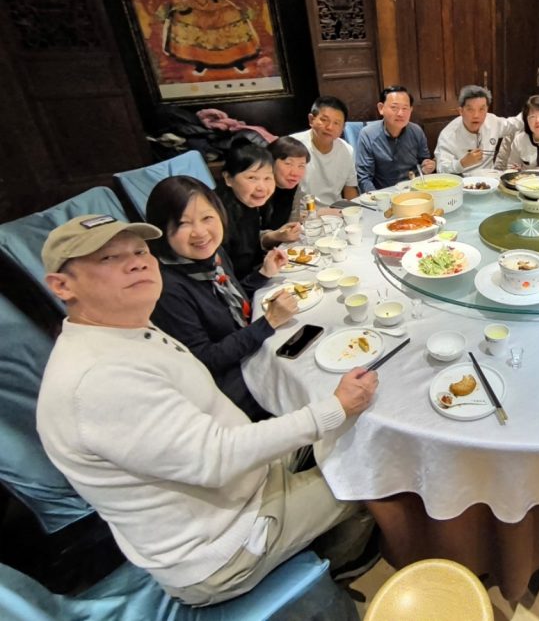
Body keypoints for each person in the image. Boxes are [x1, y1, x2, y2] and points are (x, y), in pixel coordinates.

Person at [37, 215, 378, 605]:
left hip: (241, 488)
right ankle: (337, 568)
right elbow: (217, 457)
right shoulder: (97, 381)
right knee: (369, 474)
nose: (136, 263)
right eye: (107, 259)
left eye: (139, 251)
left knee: (355, 433)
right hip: (222, 546)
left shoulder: (125, 329)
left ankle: (317, 539)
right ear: (62, 286)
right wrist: (331, 409)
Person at [146, 176, 298, 421]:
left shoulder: (212, 256)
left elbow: (230, 303)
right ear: (162, 230)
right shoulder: (167, 289)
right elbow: (205, 360)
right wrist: (267, 323)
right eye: (183, 224)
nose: (200, 232)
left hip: (248, 351)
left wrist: (262, 275)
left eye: (207, 218)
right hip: (229, 388)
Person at [216, 142, 300, 277]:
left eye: (267, 178)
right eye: (252, 178)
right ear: (228, 178)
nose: (262, 187)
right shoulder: (217, 219)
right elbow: (229, 282)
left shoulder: (247, 203)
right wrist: (263, 275)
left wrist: (275, 236)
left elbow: (251, 243)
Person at [356, 85, 435, 192]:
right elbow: (364, 178)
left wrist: (428, 165)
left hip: (414, 190)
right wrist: (376, 199)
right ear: (381, 108)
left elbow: (423, 161)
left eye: (405, 108)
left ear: (411, 110)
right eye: (394, 107)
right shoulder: (368, 134)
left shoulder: (416, 131)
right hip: (384, 194)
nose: (400, 113)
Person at [434, 85, 522, 174]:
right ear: (461, 111)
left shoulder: (492, 121)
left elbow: (515, 123)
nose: (476, 115)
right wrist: (462, 163)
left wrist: (533, 112)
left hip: (491, 179)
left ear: (487, 109)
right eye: (470, 109)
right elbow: (441, 169)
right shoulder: (448, 135)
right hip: (462, 181)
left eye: (481, 109)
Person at [290, 96, 358, 207]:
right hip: (302, 215)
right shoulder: (292, 146)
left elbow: (350, 187)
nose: (330, 127)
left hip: (336, 212)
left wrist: (354, 211)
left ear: (343, 128)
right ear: (311, 119)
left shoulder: (347, 150)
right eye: (324, 120)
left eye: (336, 123)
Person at [266, 136, 310, 230]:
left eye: (301, 166)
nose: (295, 173)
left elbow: (292, 223)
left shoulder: (296, 188)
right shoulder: (259, 190)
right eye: (288, 164)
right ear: (271, 162)